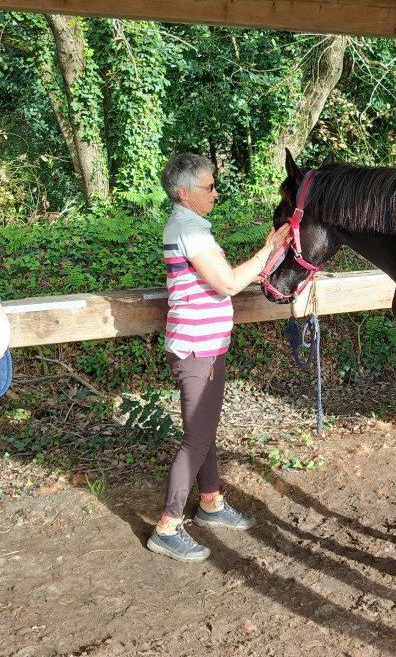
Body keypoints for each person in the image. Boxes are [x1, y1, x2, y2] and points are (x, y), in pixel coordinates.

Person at [147, 154, 290, 563]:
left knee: (202, 429)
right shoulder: (188, 229)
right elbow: (227, 283)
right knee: (197, 437)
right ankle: (168, 526)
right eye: (208, 187)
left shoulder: (190, 227)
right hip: (197, 349)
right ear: (182, 193)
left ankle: (210, 502)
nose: (215, 192)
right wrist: (266, 252)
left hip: (205, 346)